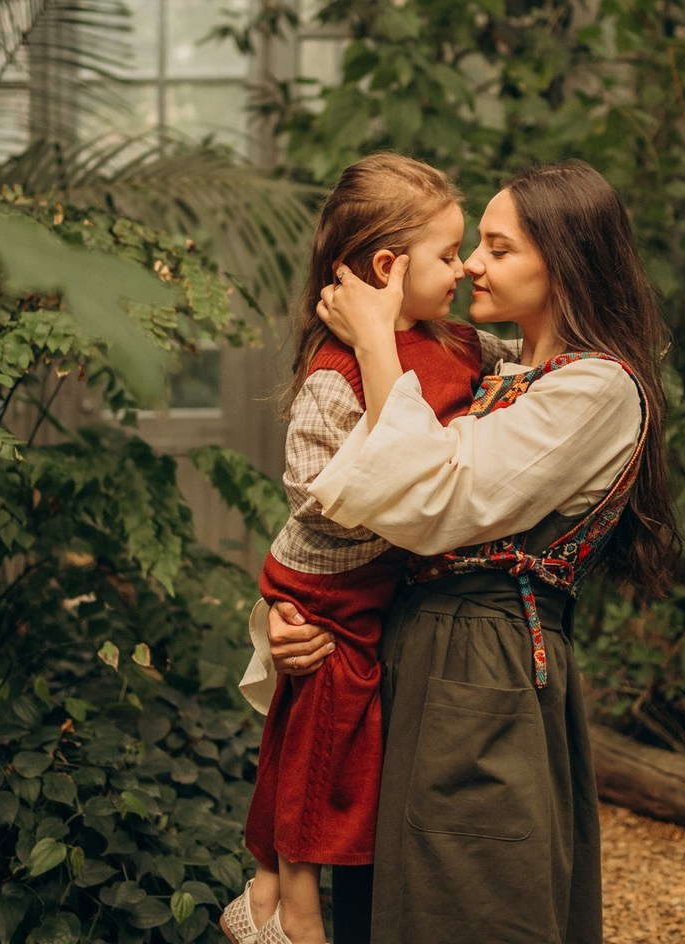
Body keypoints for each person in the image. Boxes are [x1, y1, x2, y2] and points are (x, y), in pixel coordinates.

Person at [266, 160, 682, 944]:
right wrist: (293, 620)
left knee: (471, 899)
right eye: (472, 246)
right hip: (406, 657)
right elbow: (344, 521)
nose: (472, 267)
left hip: (484, 668)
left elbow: (433, 497)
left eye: (498, 248)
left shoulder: (596, 390)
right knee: (389, 907)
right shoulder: (494, 368)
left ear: (564, 263)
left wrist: (374, 341)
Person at [220, 154, 514, 944]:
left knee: (313, 717)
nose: (461, 270)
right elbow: (318, 496)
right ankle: (295, 903)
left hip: (372, 582)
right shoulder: (337, 370)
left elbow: (520, 377)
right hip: (325, 577)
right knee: (325, 719)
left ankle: (267, 887)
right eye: (449, 254)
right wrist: (405, 496)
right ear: (388, 266)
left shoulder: (455, 343)